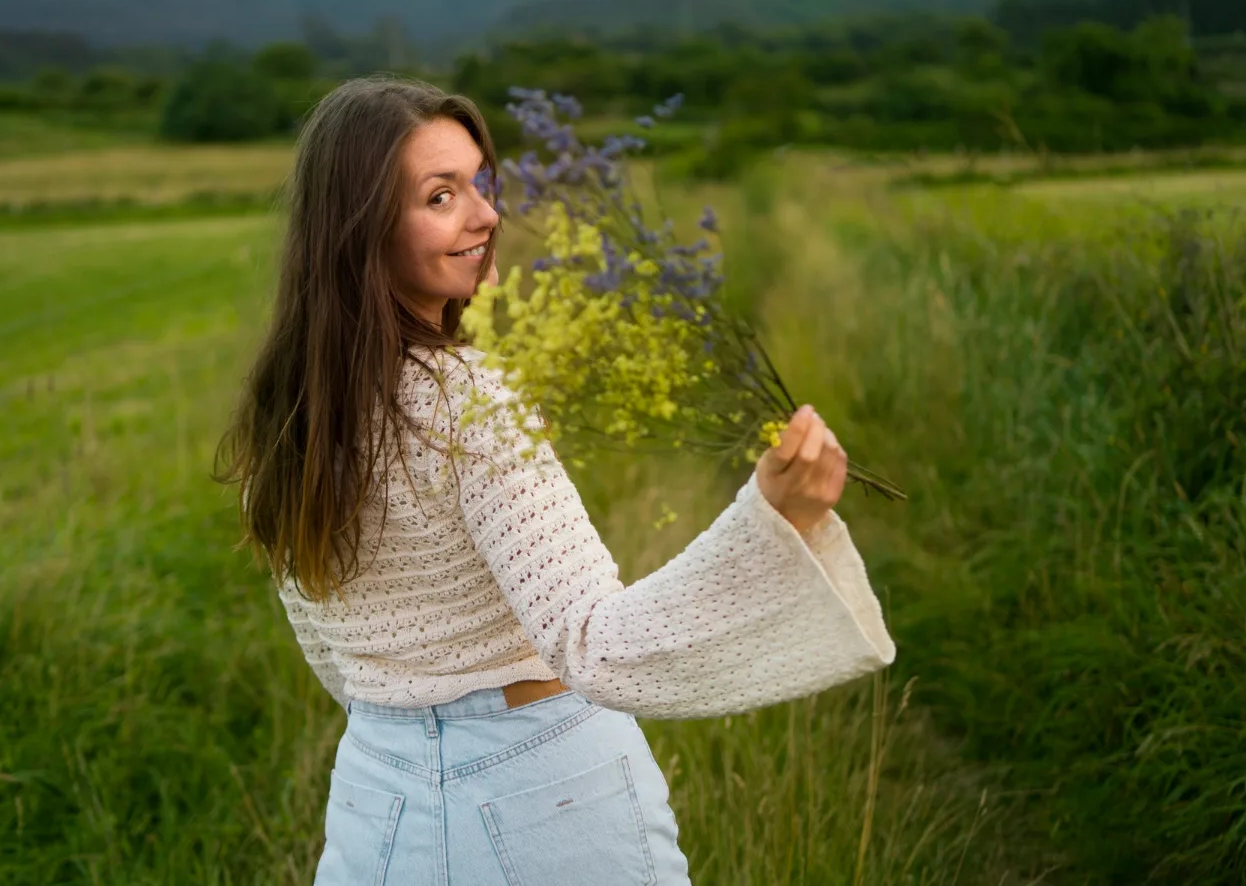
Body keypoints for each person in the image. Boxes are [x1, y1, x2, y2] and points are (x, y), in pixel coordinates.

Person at [216, 75, 896, 885]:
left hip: (375, 797)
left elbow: (335, 656)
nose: (485, 215)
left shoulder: (288, 415)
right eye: (440, 197)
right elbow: (594, 646)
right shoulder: (470, 399)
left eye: (481, 184)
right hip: (543, 791)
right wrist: (774, 517)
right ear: (361, 228)